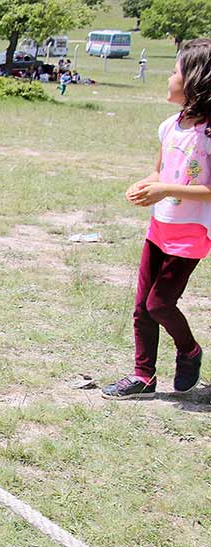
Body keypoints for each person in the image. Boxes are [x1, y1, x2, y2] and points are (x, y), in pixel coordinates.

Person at [102, 39, 211, 400]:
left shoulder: (208, 134)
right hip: (159, 228)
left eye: (175, 71)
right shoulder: (170, 126)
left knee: (159, 304)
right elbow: (159, 172)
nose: (169, 77)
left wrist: (164, 189)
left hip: (190, 234)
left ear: (195, 79)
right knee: (141, 307)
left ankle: (190, 350)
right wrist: (145, 184)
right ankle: (143, 377)